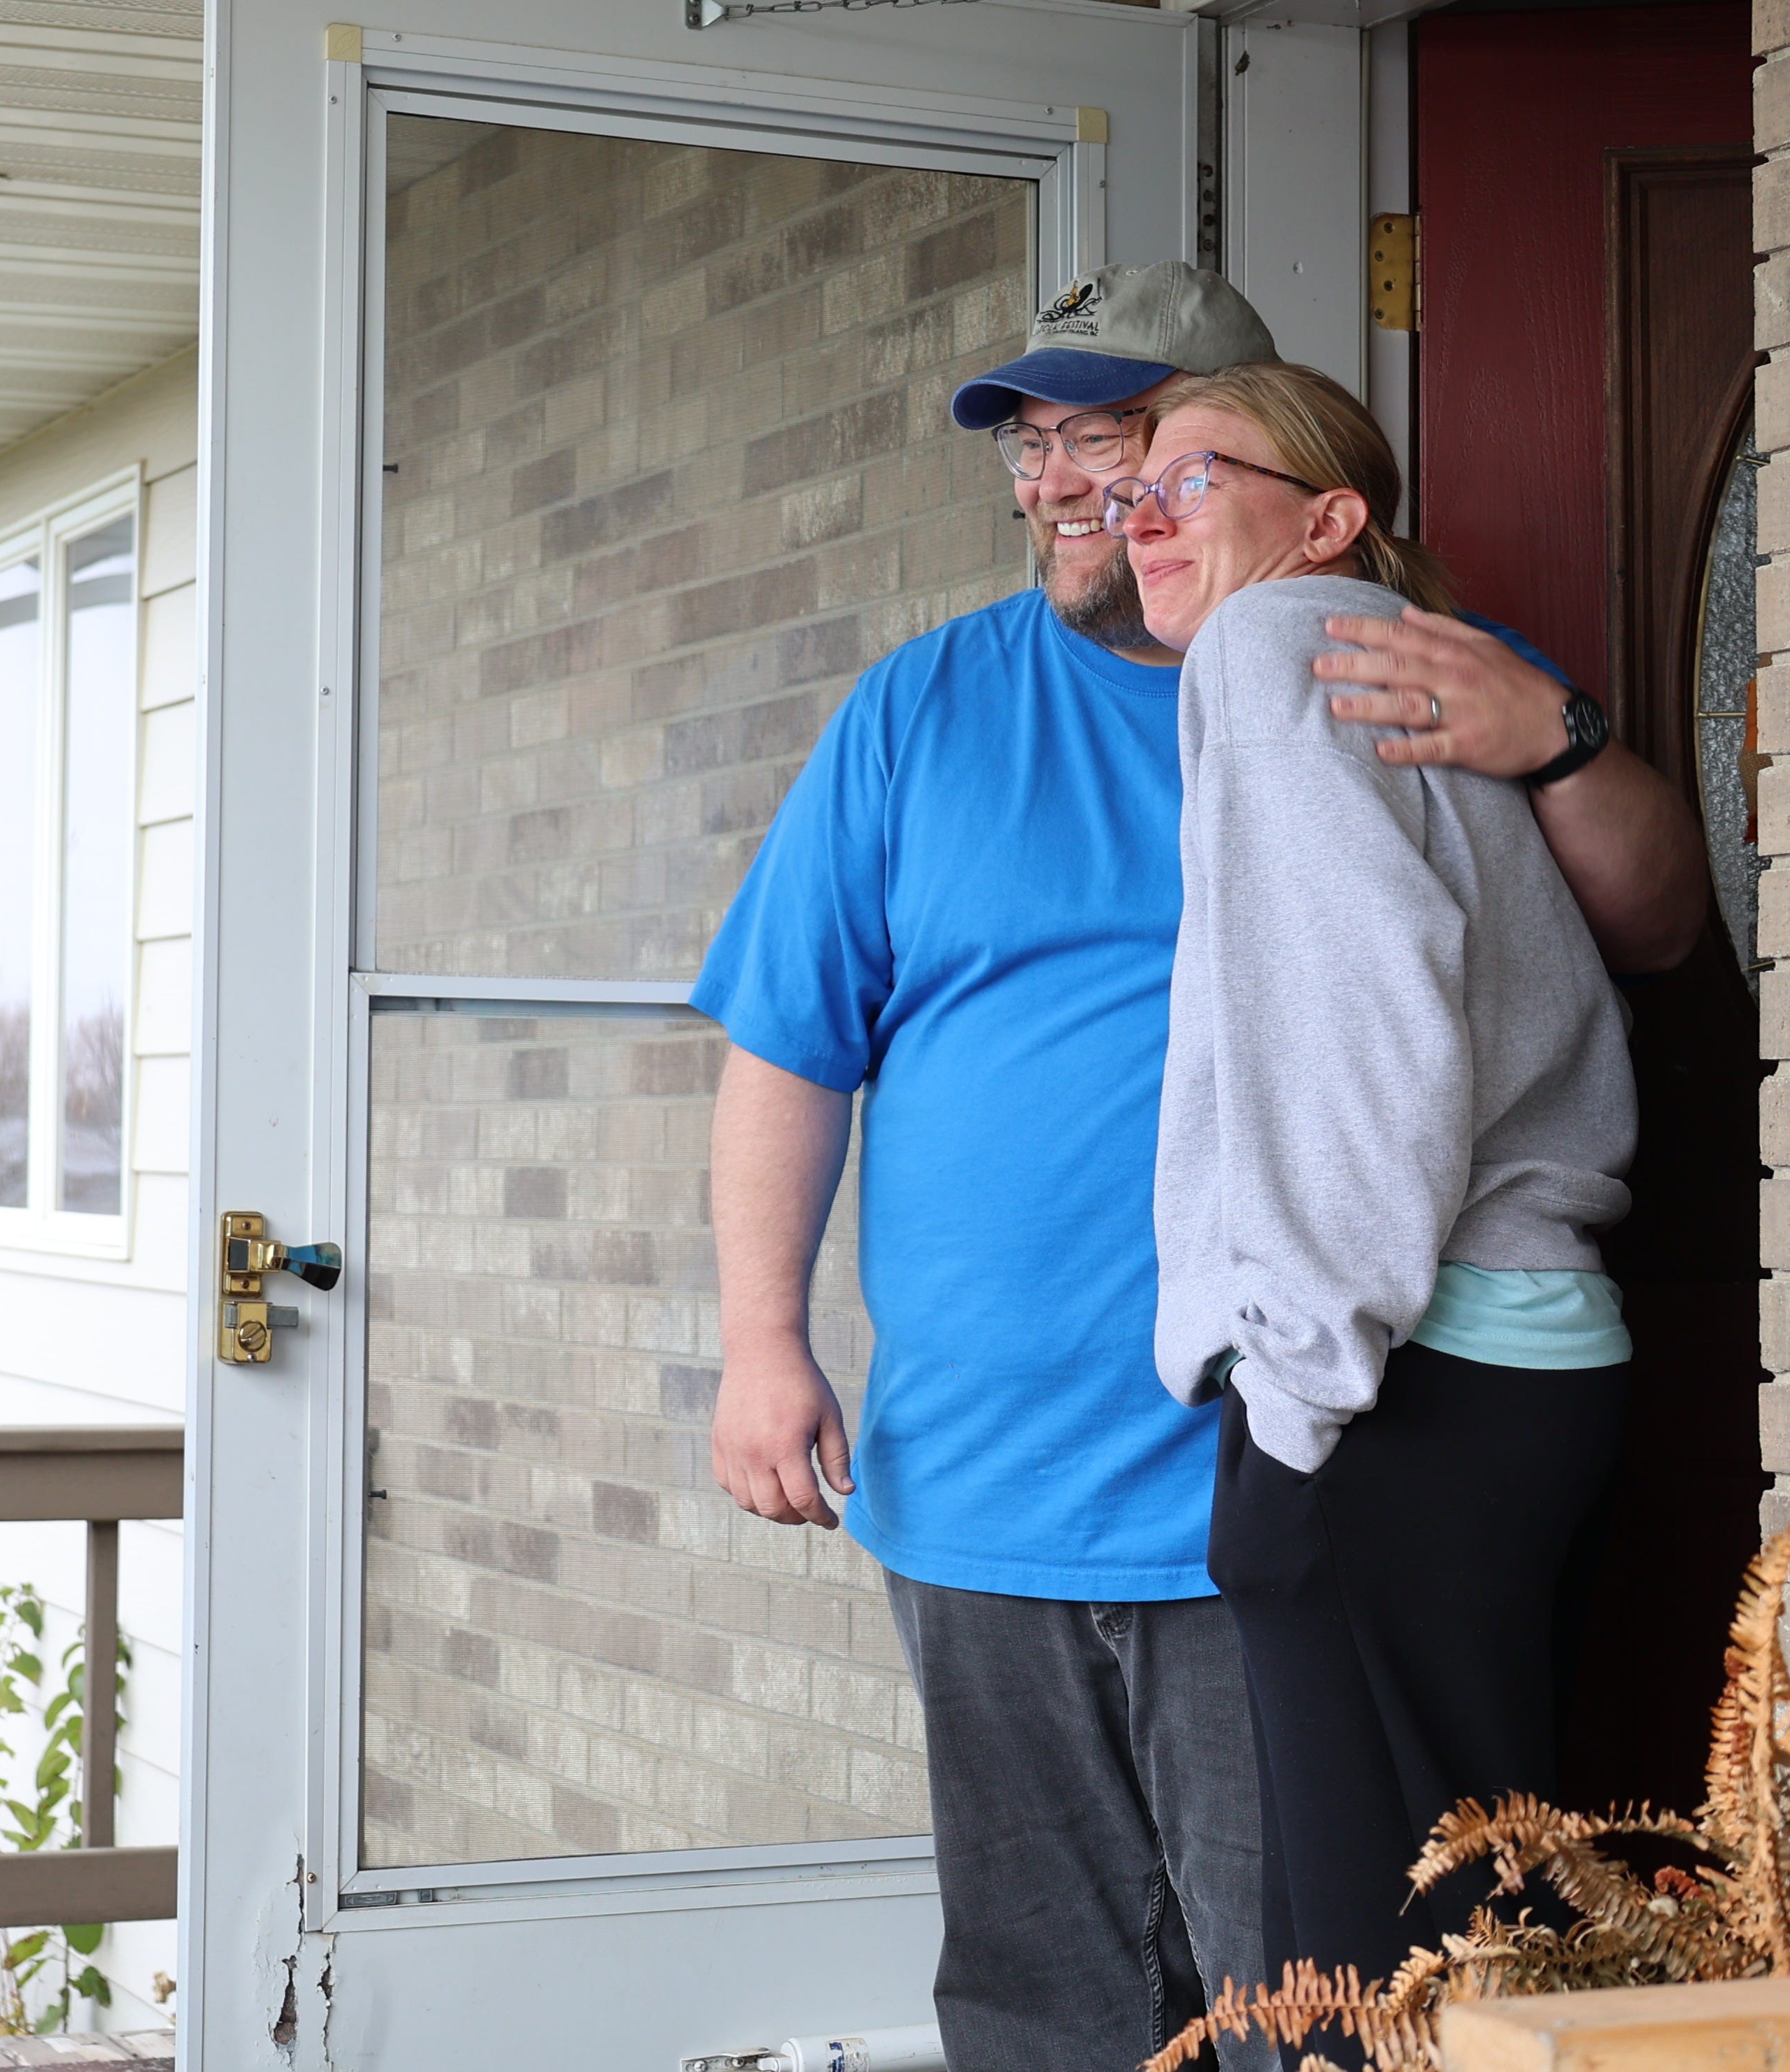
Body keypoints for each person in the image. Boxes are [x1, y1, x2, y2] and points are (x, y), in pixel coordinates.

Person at [694, 262, 1706, 2071]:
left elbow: (1653, 922)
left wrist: (1554, 732)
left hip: (1292, 1446)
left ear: (1264, 454)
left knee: (1313, 2003)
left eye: (1116, 436)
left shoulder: (1376, 653)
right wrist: (760, 1339)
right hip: (983, 1481)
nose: (1069, 484)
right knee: (1045, 2003)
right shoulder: (923, 709)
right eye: (1035, 447)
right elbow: (789, 1039)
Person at [1121, 363, 1636, 1994]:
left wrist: (1297, 1384)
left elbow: (1354, 1018)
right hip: (1511, 1365)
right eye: (1131, 489)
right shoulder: (1404, 667)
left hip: (1400, 1381)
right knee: (1477, 1947)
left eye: (1192, 478)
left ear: (1327, 518)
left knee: (1382, 1989)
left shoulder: (1278, 642)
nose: (1141, 514)